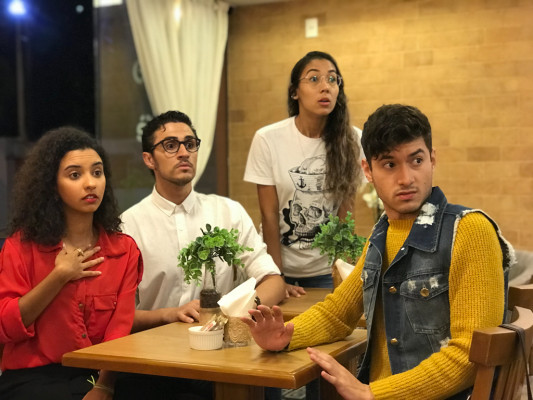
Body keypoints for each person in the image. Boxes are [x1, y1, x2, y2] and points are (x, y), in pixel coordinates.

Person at [242, 104, 514, 400]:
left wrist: (373, 393)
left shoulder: (469, 231)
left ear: (432, 159)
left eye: (417, 160)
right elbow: (338, 314)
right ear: (368, 171)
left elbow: (471, 355)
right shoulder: (382, 232)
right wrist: (286, 335)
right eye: (389, 164)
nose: (406, 178)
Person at [0, 127, 143, 400]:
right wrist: (59, 276)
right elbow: (5, 327)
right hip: (35, 375)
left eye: (97, 173)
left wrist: (104, 385)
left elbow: (119, 329)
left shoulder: (123, 250)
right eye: (75, 175)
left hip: (103, 370)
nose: (90, 184)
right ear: (52, 185)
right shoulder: (21, 247)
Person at [244, 51, 363, 295]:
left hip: (326, 271)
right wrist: (276, 278)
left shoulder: (353, 140)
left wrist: (340, 273)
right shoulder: (268, 139)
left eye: (332, 79)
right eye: (314, 79)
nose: (325, 87)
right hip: (277, 267)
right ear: (294, 92)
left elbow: (346, 213)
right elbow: (269, 215)